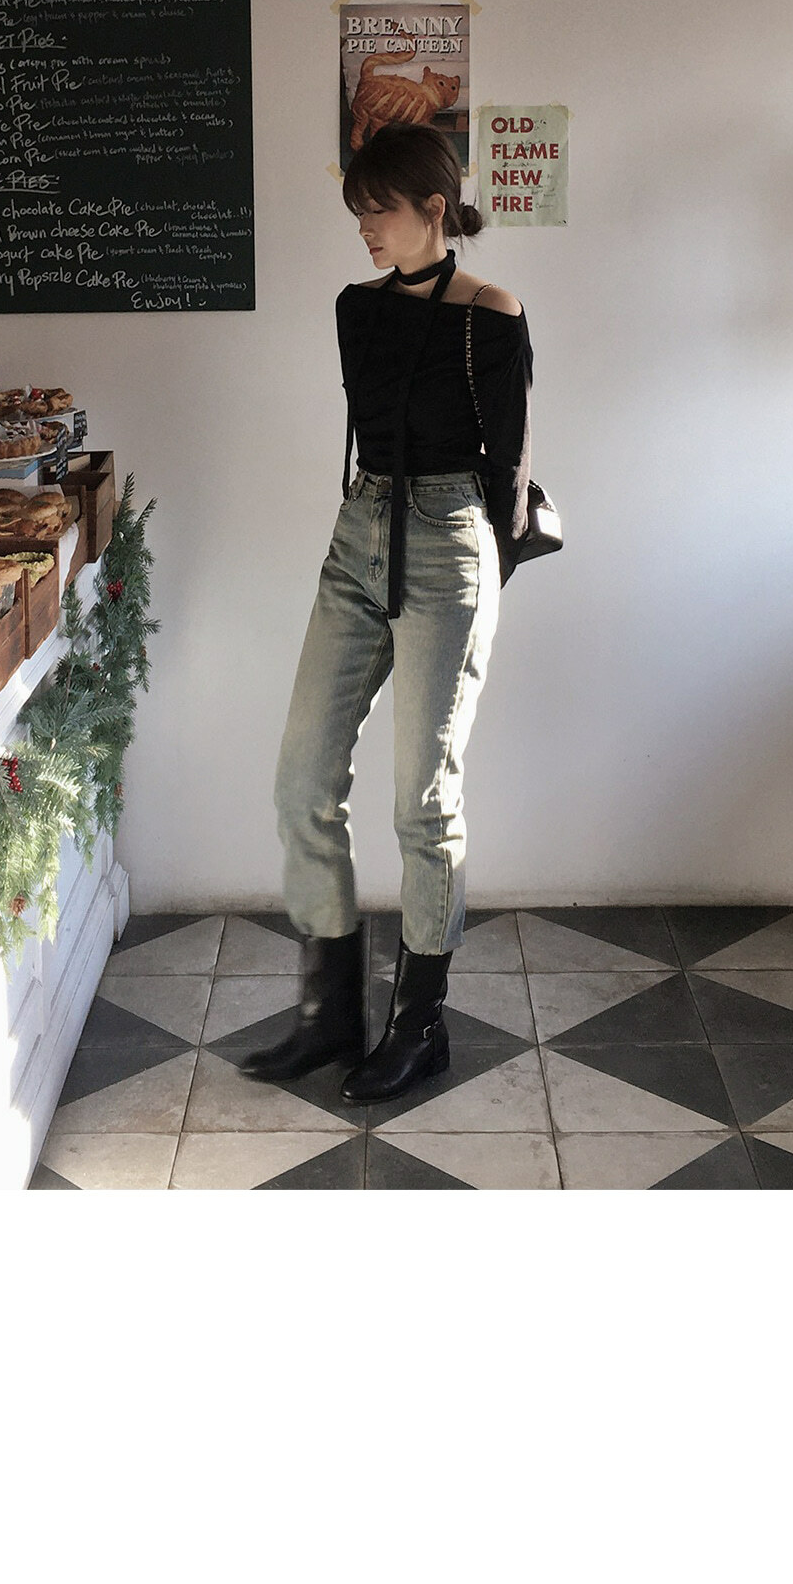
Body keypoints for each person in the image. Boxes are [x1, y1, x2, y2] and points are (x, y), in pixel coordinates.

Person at [247, 121, 533, 1113]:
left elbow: (509, 470)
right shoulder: (353, 307)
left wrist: (477, 583)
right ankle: (330, 1012)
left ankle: (420, 1026)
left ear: (432, 207)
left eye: (379, 209)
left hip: (449, 542)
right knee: (301, 780)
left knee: (422, 801)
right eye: (357, 211)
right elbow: (375, 433)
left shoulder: (490, 315)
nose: (364, 228)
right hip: (357, 533)